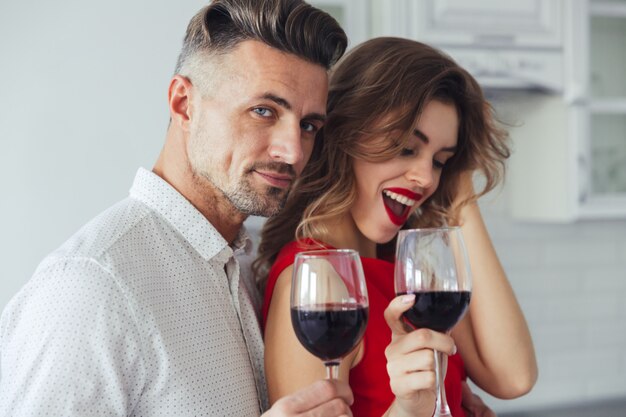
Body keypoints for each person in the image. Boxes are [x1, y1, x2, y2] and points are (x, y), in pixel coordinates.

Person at [0, 1, 356, 416]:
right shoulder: (92, 284)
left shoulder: (245, 262)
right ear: (184, 103)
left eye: (308, 125)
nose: (293, 150)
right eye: (264, 111)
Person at [255, 37, 538, 417]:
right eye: (406, 147)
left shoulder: (408, 271)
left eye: (440, 160)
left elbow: (513, 376)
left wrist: (459, 189)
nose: (425, 177)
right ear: (345, 137)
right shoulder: (318, 281)